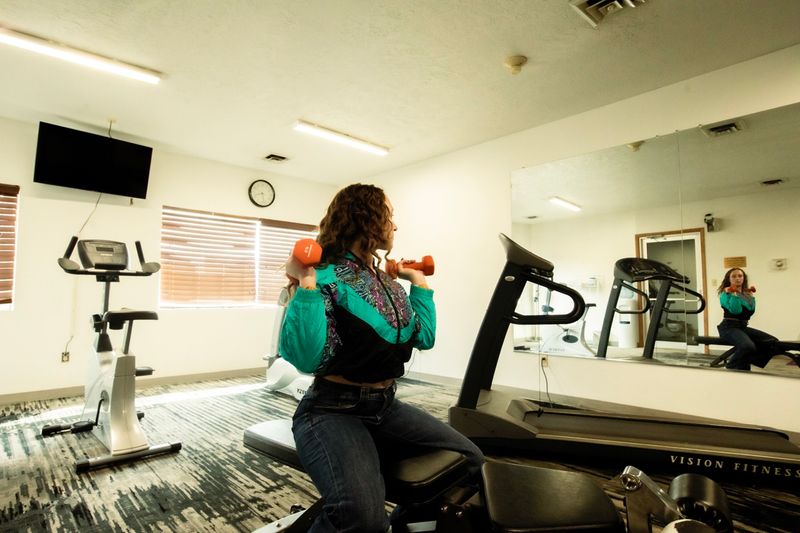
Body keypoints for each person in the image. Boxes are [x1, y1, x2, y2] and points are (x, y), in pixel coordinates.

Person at [279, 183, 484, 532]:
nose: (395, 226)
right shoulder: (325, 276)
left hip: (385, 406)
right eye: (391, 216)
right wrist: (306, 282)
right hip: (330, 411)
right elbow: (307, 359)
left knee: (470, 461)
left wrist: (418, 282)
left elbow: (424, 338)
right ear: (368, 218)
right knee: (361, 518)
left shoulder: (387, 283)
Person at [716, 267, 779, 371]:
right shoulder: (725, 295)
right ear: (729, 279)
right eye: (734, 276)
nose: (737, 278)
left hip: (742, 327)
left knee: (772, 341)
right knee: (747, 346)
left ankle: (746, 362)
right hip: (728, 328)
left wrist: (751, 298)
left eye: (740, 276)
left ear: (744, 278)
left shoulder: (746, 294)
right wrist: (734, 295)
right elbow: (736, 311)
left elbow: (750, 312)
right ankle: (730, 367)